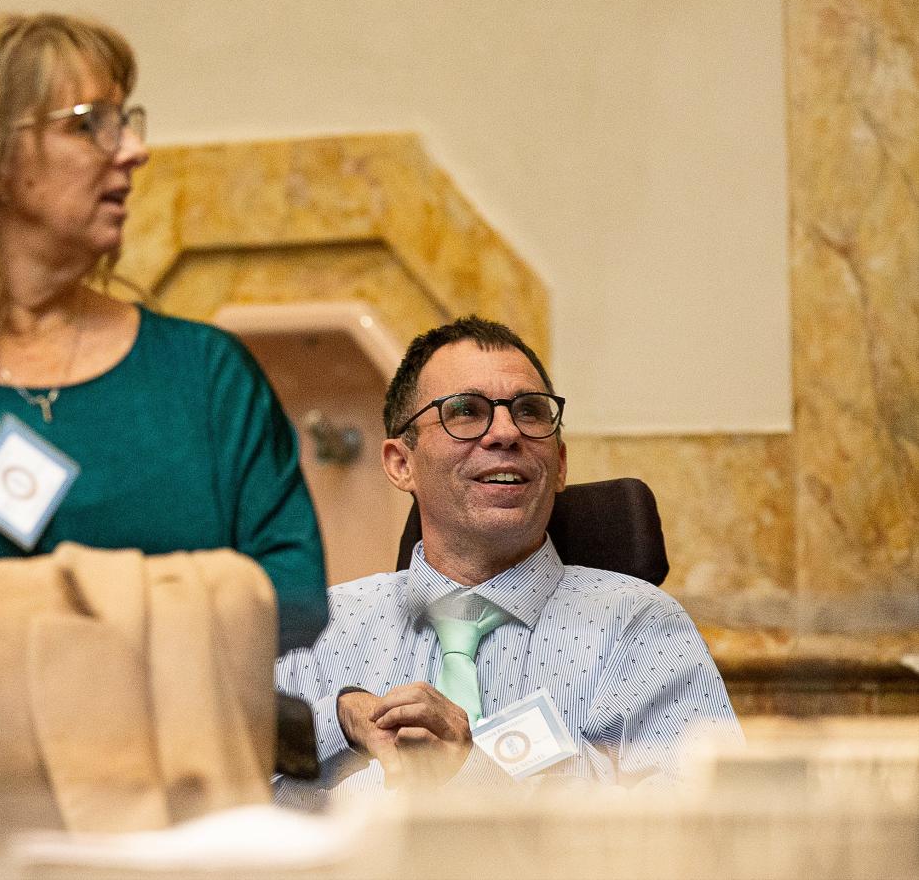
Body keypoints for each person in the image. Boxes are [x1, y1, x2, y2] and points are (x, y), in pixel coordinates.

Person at [0, 13, 327, 737]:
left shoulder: (205, 372)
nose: (135, 150)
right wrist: (186, 606)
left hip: (197, 813)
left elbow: (293, 598)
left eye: (126, 121)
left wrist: (5, 618)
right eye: (90, 125)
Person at [275, 316, 740, 798]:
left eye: (531, 411)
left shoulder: (639, 629)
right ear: (401, 464)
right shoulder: (316, 632)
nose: (505, 432)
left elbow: (710, 833)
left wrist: (480, 773)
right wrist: (330, 721)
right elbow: (210, 800)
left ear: (558, 465)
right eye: (466, 411)